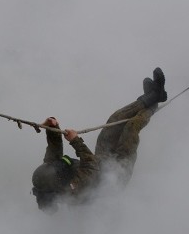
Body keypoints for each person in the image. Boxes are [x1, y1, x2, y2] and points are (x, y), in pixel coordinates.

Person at [31, 67, 167, 211]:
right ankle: (153, 101)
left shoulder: (47, 176)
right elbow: (91, 166)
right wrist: (75, 141)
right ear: (57, 185)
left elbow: (54, 148)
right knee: (131, 127)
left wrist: (52, 125)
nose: (54, 166)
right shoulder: (73, 191)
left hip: (102, 160)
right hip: (116, 174)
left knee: (115, 119)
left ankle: (152, 97)